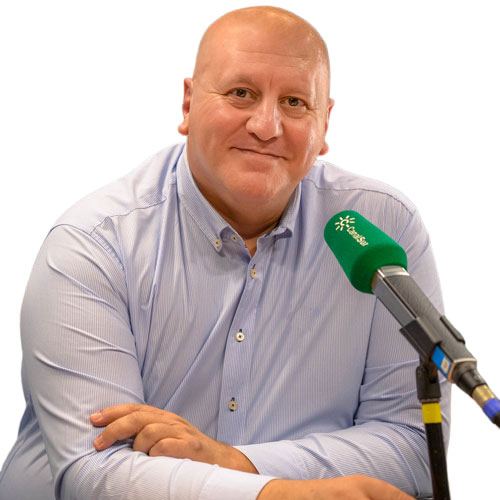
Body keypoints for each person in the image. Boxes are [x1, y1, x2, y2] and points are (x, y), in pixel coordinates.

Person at [0, 6, 448, 500]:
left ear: (324, 125)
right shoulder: (93, 243)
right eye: (241, 93)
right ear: (188, 104)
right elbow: (96, 474)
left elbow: (416, 446)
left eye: (295, 102)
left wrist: (234, 462)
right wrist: (283, 494)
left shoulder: (381, 230)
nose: (266, 125)